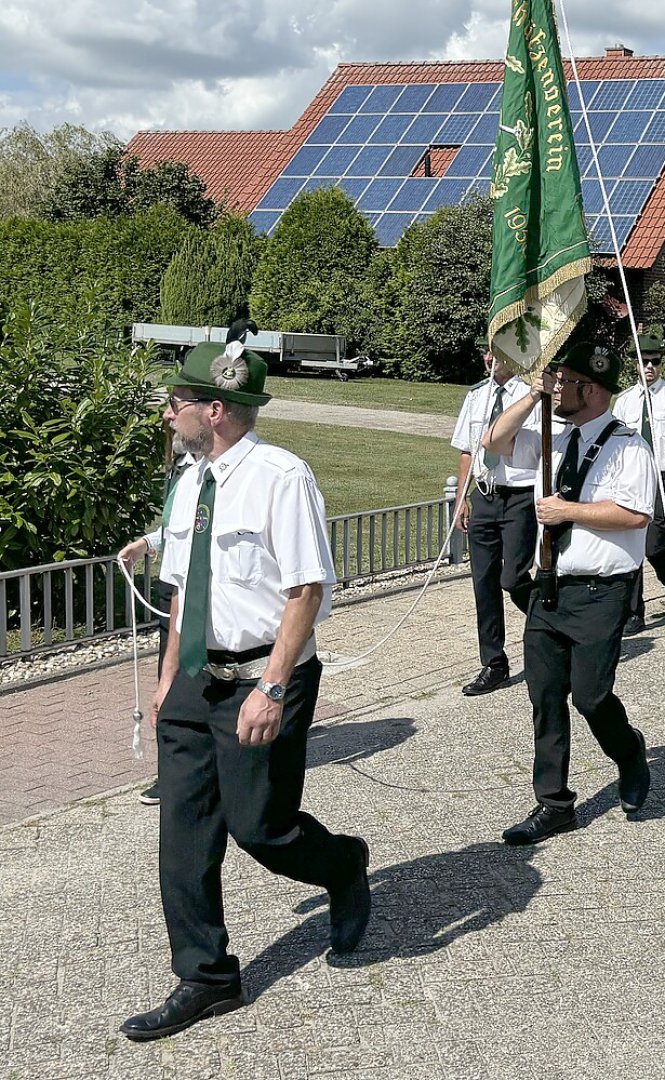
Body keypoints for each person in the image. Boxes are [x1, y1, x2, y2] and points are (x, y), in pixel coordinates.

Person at [122, 340, 369, 1041]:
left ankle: (343, 865)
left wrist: (271, 688)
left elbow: (305, 590)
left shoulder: (280, 478)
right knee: (183, 836)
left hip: (263, 678)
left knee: (260, 826)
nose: (170, 412)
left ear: (217, 409)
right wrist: (170, 677)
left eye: (180, 402)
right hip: (196, 679)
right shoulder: (192, 480)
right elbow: (182, 587)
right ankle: (206, 978)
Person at [484, 342, 657, 844]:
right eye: (555, 380)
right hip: (550, 587)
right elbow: (495, 442)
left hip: (602, 591)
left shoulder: (630, 447)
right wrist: (532, 398)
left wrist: (568, 512)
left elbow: (635, 515)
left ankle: (629, 754)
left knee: (591, 697)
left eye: (566, 382)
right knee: (545, 696)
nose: (558, 387)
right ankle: (554, 803)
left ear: (594, 389)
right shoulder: (551, 437)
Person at [452, 351, 540, 695]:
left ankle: (549, 621)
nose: (491, 359)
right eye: (487, 352)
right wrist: (462, 498)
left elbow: (523, 445)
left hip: (519, 496)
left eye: (498, 353)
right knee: (483, 583)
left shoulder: (529, 395)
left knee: (513, 577)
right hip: (485, 494)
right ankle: (494, 663)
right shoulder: (476, 396)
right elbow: (466, 450)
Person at [117, 432, 196, 806]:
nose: (167, 418)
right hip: (174, 585)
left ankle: (182, 776)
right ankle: (177, 774)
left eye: (175, 407)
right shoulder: (182, 467)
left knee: (180, 680)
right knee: (170, 678)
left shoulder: (205, 471)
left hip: (199, 589)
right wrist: (147, 544)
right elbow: (178, 529)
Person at [611, 329, 665, 633]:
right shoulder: (624, 402)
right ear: (634, 363)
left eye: (655, 361)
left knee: (654, 546)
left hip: (664, 477)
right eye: (643, 361)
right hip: (633, 479)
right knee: (631, 544)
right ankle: (635, 612)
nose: (649, 367)